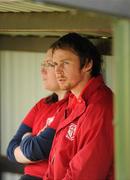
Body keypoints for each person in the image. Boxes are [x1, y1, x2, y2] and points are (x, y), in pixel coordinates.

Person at [44, 33, 114, 180]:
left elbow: (83, 175)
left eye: (65, 63)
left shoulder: (100, 109)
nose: (57, 71)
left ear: (87, 64)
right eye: (55, 64)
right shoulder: (72, 99)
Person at [6, 48, 69, 180]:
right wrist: (29, 149)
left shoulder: (70, 107)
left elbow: (37, 149)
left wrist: (26, 138)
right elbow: (11, 148)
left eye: (49, 64)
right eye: (43, 64)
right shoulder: (42, 104)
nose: (42, 70)